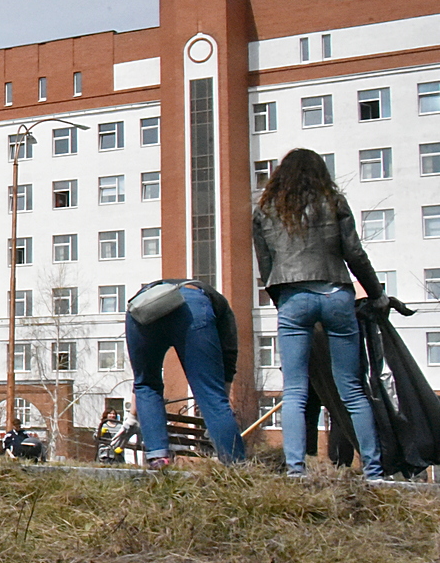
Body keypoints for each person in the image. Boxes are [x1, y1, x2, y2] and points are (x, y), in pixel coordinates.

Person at [253, 148, 389, 481]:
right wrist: (376, 293)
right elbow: (354, 252)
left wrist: (281, 301)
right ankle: (374, 471)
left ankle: (296, 470)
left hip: (292, 296)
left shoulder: (266, 210)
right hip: (336, 294)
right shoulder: (334, 203)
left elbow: (266, 264)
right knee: (352, 389)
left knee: (295, 391)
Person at [126, 278, 245, 470]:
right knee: (211, 394)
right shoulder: (221, 309)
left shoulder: (161, 291)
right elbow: (228, 362)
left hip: (143, 306)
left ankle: (158, 460)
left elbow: (143, 381)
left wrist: (132, 415)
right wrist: (218, 415)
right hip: (190, 310)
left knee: (147, 384)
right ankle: (236, 466)